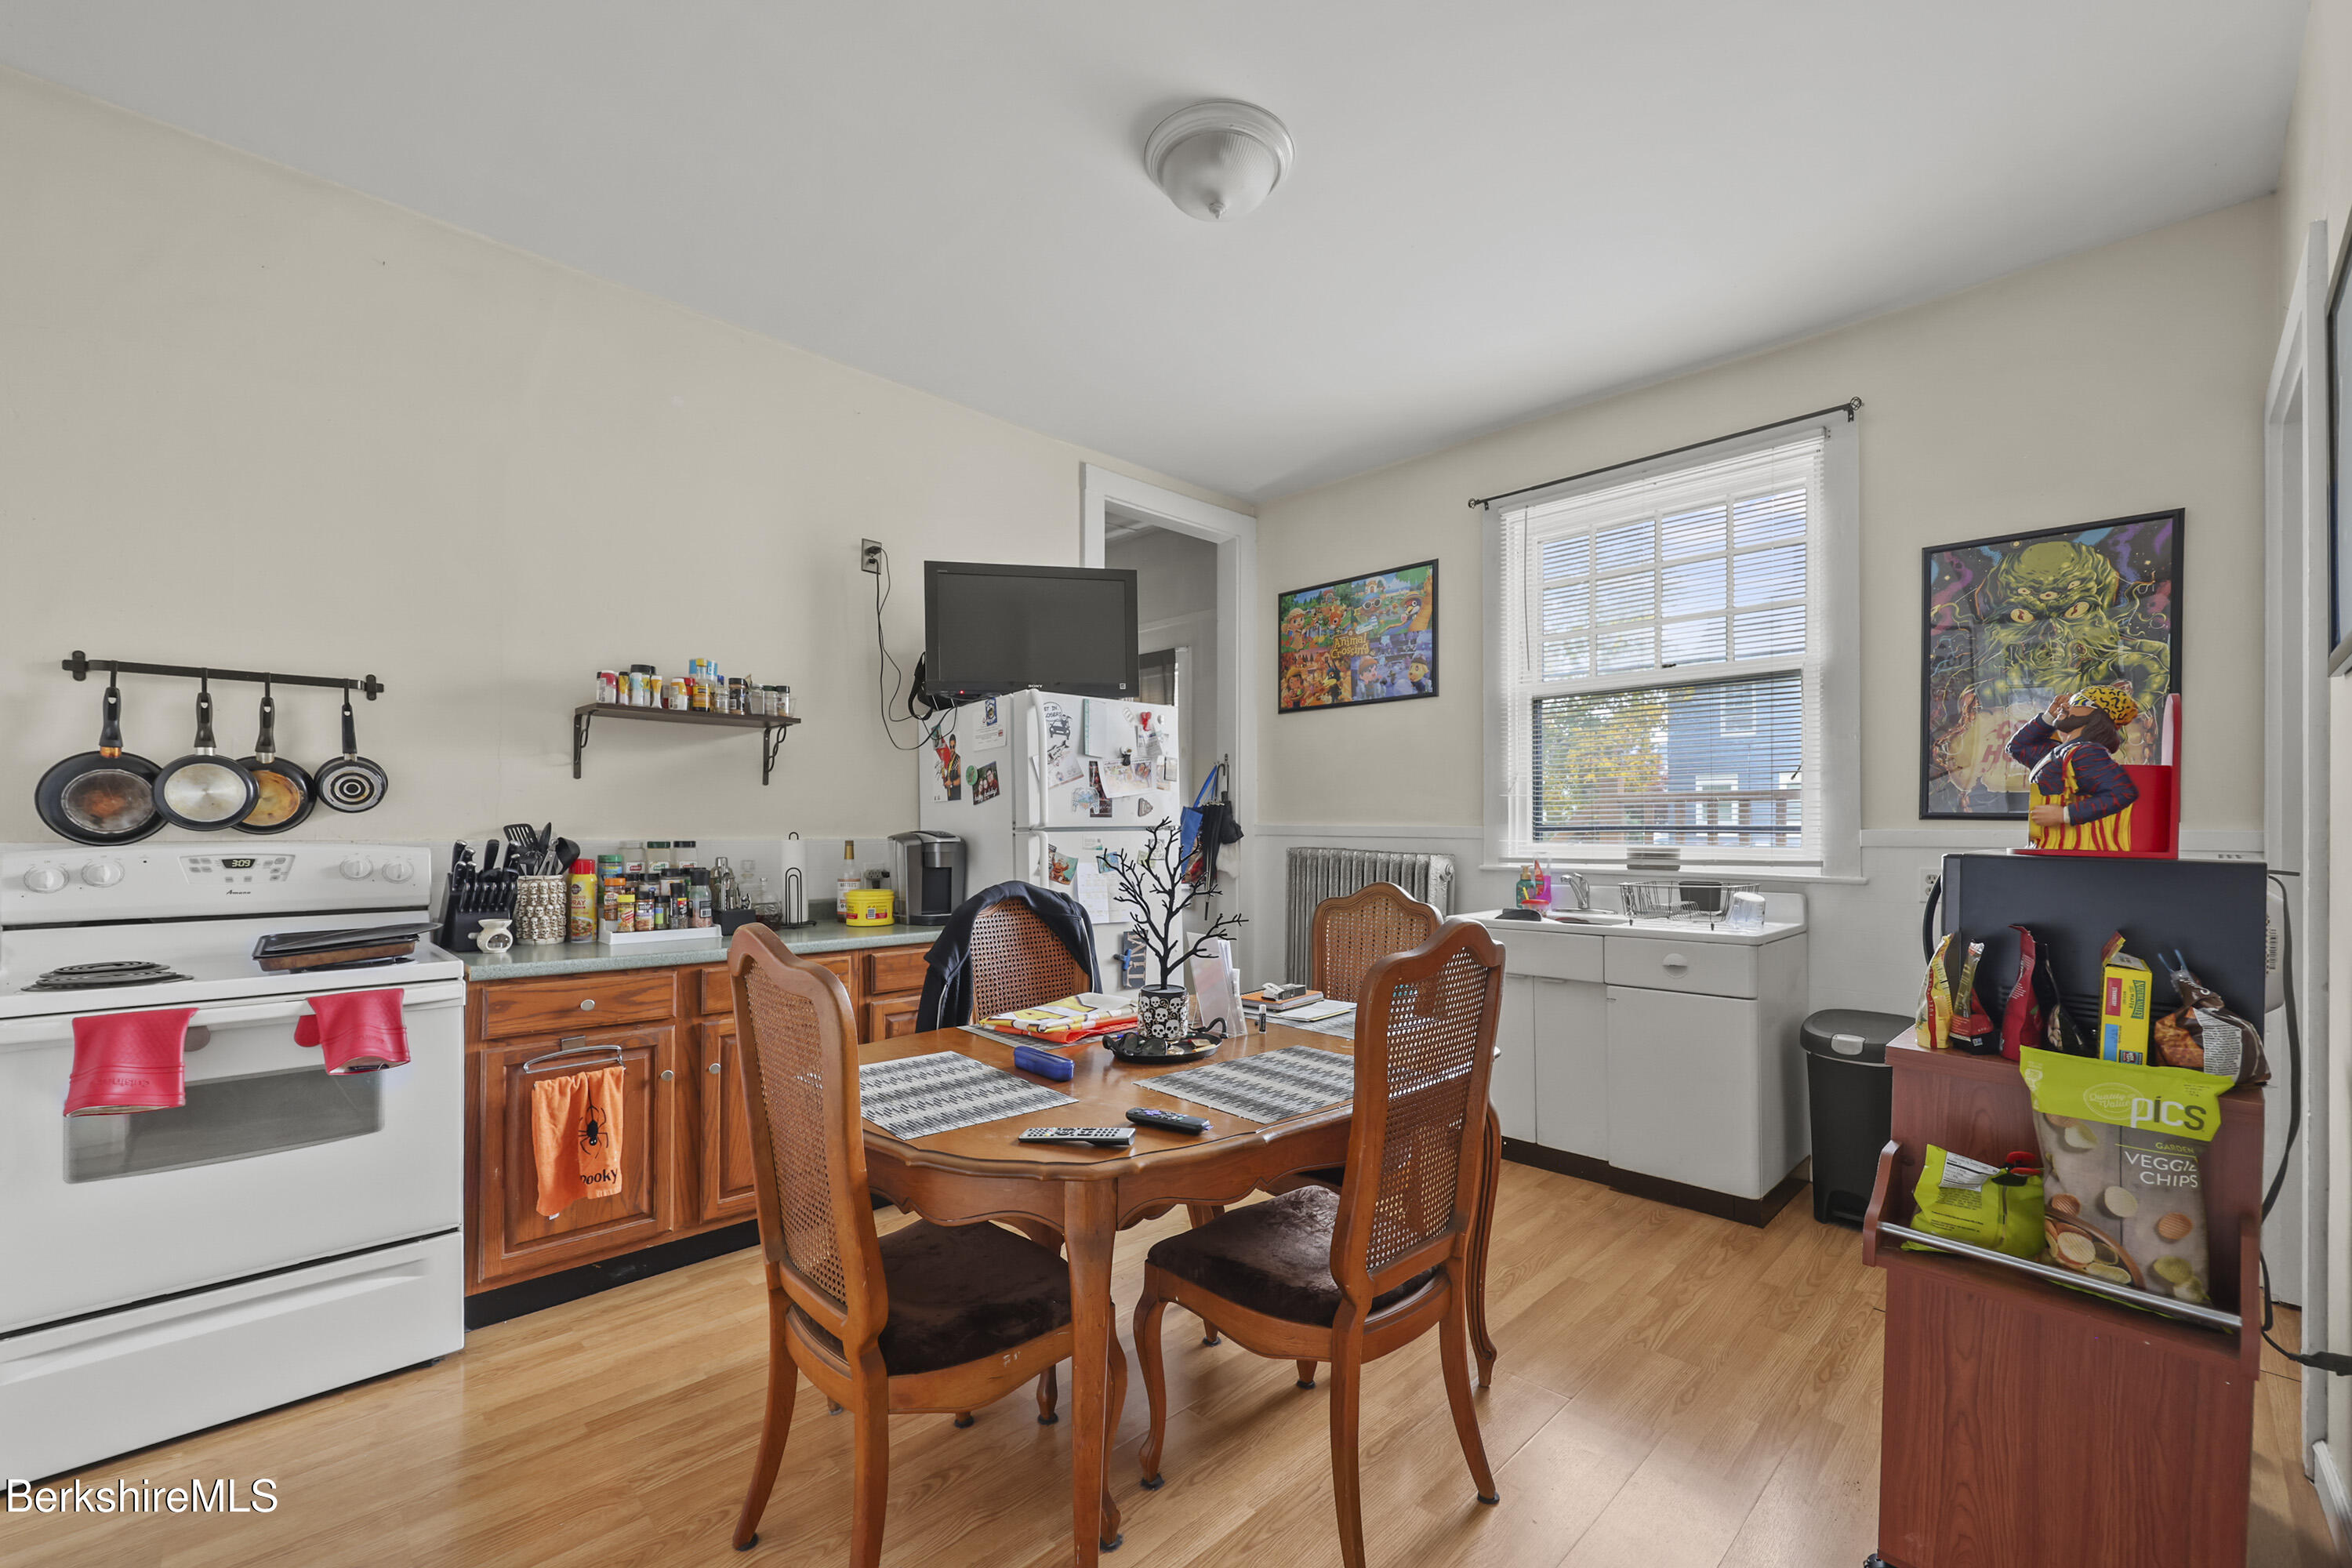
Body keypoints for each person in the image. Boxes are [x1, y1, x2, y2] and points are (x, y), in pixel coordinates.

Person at [2008, 685, 2139, 833]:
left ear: (2098, 713)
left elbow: (2122, 793)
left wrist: (2065, 814)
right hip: (2049, 845)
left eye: (2077, 701)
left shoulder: (2087, 753)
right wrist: (2049, 716)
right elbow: (2018, 747)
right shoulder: (2063, 752)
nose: (2065, 705)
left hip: (2069, 846)